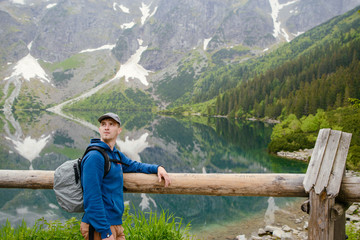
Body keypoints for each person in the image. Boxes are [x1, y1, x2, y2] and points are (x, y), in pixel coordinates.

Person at [80, 112, 171, 240]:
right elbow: (91, 197)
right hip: (99, 226)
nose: (106, 127)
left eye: (111, 124)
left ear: (119, 130)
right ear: (99, 129)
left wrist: (157, 168)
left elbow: (134, 165)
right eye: (103, 124)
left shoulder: (115, 155)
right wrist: (105, 232)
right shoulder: (94, 157)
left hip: (115, 224)